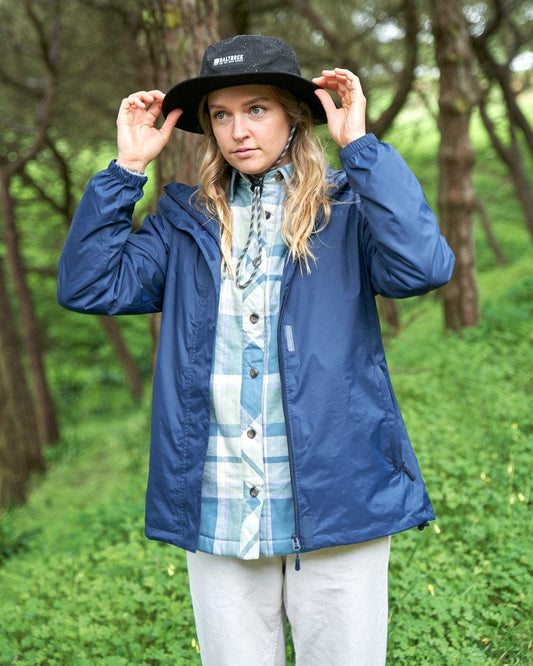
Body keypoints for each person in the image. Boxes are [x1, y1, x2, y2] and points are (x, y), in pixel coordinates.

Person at [58, 34, 454, 666]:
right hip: (218, 498)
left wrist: (361, 149)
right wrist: (126, 170)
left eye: (257, 109)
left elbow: (423, 267)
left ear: (294, 114)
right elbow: (88, 283)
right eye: (221, 114)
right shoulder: (183, 224)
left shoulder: (347, 208)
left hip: (336, 491)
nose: (238, 130)